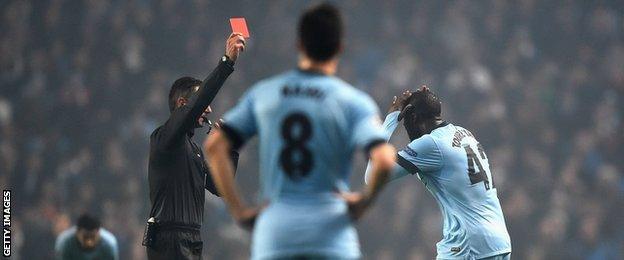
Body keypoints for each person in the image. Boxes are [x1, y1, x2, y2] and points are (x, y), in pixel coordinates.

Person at [204, 3, 396, 260]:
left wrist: (238, 211)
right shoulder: (353, 101)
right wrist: (362, 202)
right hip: (331, 234)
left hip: (276, 233)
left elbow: (215, 146)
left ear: (299, 45)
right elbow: (384, 159)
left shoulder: (265, 94)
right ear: (340, 48)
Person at [365, 86, 512, 260]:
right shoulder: (465, 133)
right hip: (498, 242)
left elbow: (372, 175)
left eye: (406, 122)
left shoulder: (432, 144)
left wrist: (391, 118)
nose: (407, 129)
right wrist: (424, 98)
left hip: (468, 245)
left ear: (414, 117)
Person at [143, 33, 246, 260]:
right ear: (182, 104)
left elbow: (220, 188)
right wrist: (226, 63)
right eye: (204, 103)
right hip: (170, 238)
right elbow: (196, 105)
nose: (209, 110)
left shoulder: (193, 150)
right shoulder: (164, 138)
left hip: (192, 238)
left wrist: (229, 149)